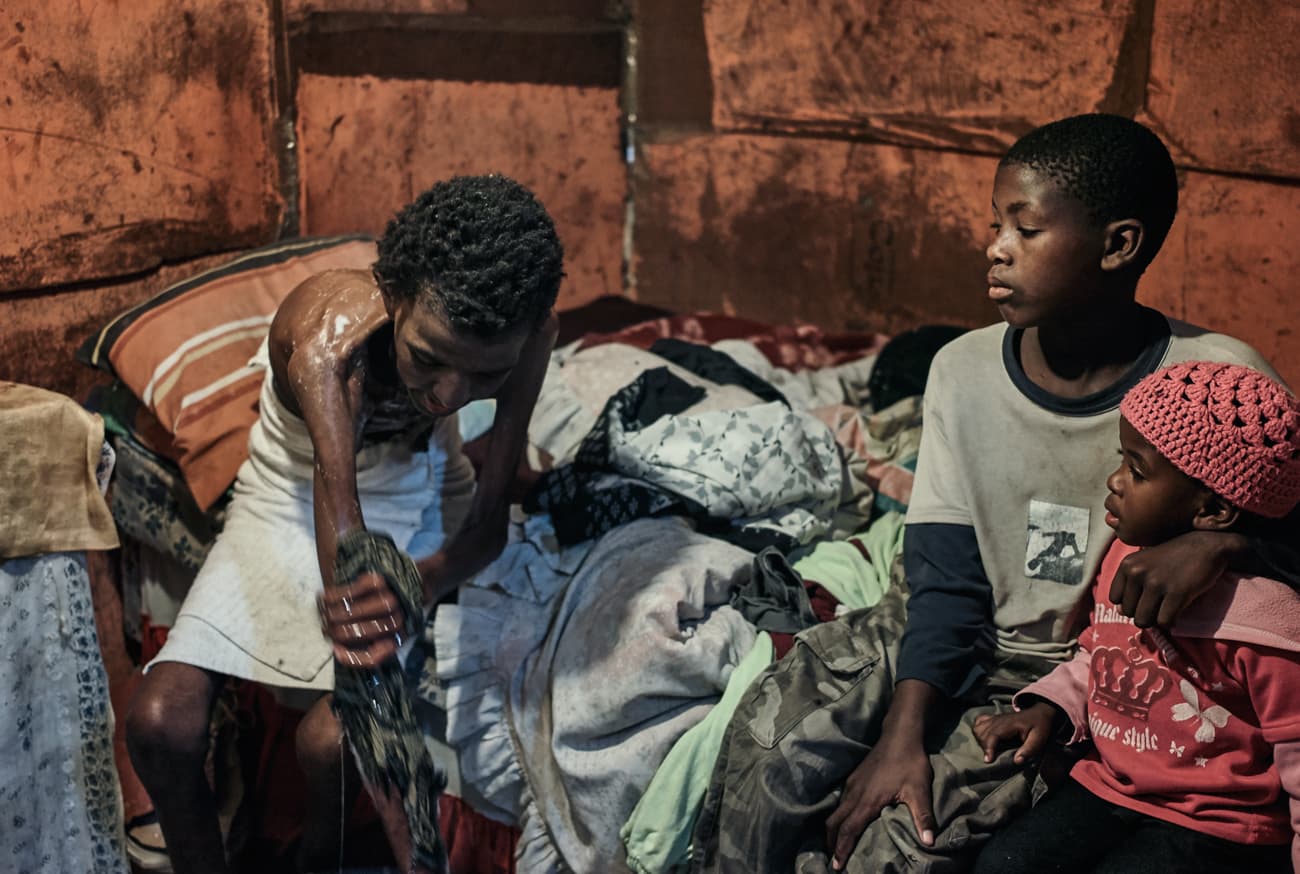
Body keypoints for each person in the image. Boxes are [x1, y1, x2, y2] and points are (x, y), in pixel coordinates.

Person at [687, 114, 1299, 873]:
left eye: (1026, 228)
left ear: (1118, 245)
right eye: (993, 224)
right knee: (770, 754)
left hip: (1078, 667)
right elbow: (944, 580)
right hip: (943, 629)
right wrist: (900, 737)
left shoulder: (1215, 382)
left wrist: (1222, 543)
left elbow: (1283, 523)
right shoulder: (962, 369)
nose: (994, 247)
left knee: (902, 846)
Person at [126, 175, 563, 874]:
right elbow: (344, 535)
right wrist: (373, 603)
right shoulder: (332, 341)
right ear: (392, 296)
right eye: (428, 358)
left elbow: (484, 532)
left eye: (486, 377)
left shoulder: (531, 331)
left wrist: (412, 584)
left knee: (331, 744)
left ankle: (316, 859)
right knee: (159, 724)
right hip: (290, 487)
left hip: (419, 484)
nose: (449, 397)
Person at [971, 361, 1300, 874]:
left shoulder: (1267, 623)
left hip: (1218, 823)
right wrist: (1053, 709)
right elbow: (1102, 651)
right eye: (1122, 460)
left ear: (1212, 513)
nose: (1114, 480)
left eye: (1137, 471)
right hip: (1112, 786)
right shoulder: (1124, 556)